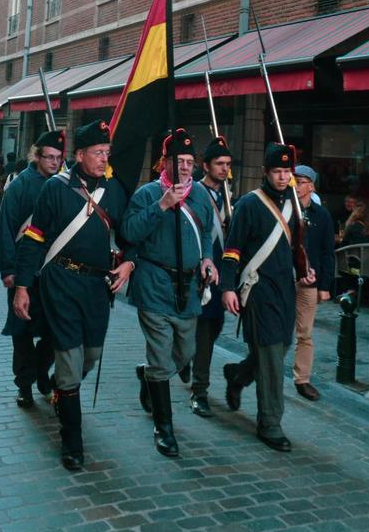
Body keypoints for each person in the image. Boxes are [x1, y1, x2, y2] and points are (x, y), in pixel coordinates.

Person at [13, 120, 133, 470]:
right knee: (69, 360)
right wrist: (22, 285)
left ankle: (58, 389)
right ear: (79, 155)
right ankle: (72, 442)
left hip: (97, 287)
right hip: (61, 282)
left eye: (106, 153)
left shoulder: (115, 190)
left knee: (90, 354)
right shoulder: (55, 188)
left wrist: (130, 264)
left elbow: (129, 237)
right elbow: (35, 237)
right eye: (97, 153)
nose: (103, 158)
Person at [123, 128, 216, 458]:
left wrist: (208, 258)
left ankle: (149, 376)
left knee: (185, 351)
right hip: (154, 284)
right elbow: (130, 233)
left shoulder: (201, 195)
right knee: (162, 357)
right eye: (181, 161)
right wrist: (162, 205)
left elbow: (206, 234)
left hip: (188, 287)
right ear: (165, 162)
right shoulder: (147, 194)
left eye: (191, 161)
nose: (188, 167)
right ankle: (164, 428)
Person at [221, 144, 315, 452]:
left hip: (285, 289)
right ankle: (270, 423)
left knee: (278, 349)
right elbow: (232, 249)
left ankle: (237, 375)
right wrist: (228, 287)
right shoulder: (249, 204)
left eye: (287, 172)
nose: (282, 177)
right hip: (258, 290)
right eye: (277, 171)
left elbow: (296, 245)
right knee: (272, 356)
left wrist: (305, 270)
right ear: (265, 172)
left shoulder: (295, 203)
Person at [0, 132, 63, 407]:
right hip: (24, 270)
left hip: (54, 272)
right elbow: (6, 228)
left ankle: (41, 375)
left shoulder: (64, 185)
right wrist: (8, 269)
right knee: (22, 332)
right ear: (37, 156)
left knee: (54, 330)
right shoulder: (21, 186)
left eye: (59, 158)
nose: (55, 162)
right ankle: (25, 384)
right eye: (49, 157)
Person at [189, 135, 232, 418]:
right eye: (219, 164)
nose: (224, 169)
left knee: (213, 329)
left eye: (228, 164)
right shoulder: (195, 193)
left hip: (222, 276)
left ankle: (188, 364)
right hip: (198, 274)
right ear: (205, 166)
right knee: (201, 334)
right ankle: (199, 391)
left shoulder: (230, 196)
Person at [292, 165, 335, 402]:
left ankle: (303, 379)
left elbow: (328, 251)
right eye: (294, 180)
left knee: (305, 333)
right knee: (276, 332)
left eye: (302, 181)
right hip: (283, 279)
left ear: (312, 186)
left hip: (310, 282)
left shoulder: (322, 215)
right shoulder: (282, 208)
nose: (297, 186)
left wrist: (325, 285)